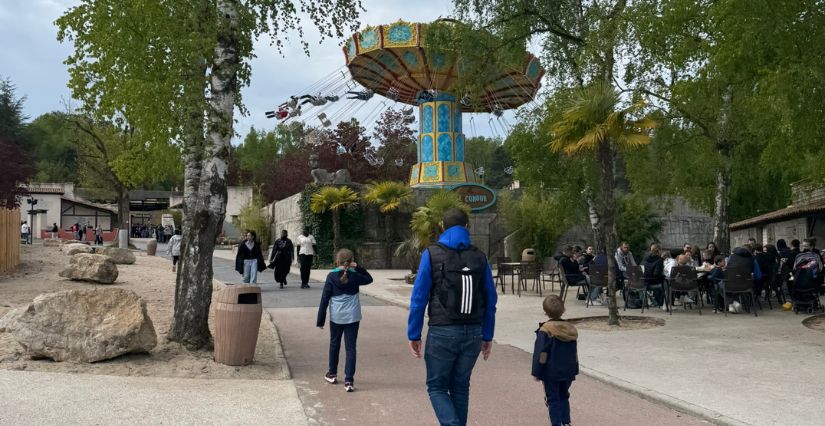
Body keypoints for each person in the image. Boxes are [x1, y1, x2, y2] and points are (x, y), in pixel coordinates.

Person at [407, 208, 497, 426]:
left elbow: (419, 298)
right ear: (467, 227)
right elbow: (490, 300)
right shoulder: (479, 256)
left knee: (437, 387)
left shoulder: (431, 254)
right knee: (460, 386)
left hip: (442, 330)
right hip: (474, 331)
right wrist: (487, 335)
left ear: (443, 226)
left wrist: (414, 334)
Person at [317, 248, 373, 392]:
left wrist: (320, 320)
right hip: (353, 317)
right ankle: (349, 381)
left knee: (334, 344)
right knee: (351, 348)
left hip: (336, 317)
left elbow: (324, 299)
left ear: (337, 261)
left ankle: (332, 373)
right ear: (351, 261)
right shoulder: (356, 276)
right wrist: (358, 267)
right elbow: (369, 279)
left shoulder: (331, 276)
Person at [532, 294, 578, 426]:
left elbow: (541, 354)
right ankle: (566, 421)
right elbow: (574, 353)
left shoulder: (545, 330)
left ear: (545, 312)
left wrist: (537, 372)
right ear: (563, 310)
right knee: (564, 395)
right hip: (568, 370)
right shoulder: (570, 330)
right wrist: (574, 369)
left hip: (551, 371)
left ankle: (557, 423)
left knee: (552, 398)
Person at [641, 244, 666, 309]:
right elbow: (656, 274)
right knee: (668, 284)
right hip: (654, 282)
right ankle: (666, 304)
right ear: (658, 251)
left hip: (646, 283)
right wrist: (663, 276)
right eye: (661, 250)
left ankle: (659, 302)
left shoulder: (646, 259)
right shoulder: (659, 260)